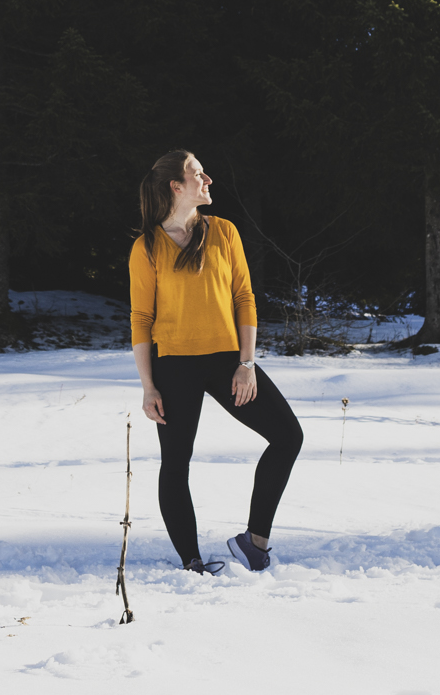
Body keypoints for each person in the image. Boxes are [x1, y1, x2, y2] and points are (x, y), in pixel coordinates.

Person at [129, 149, 303, 574]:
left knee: (287, 436)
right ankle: (191, 561)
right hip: (173, 367)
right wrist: (148, 385)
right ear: (176, 185)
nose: (207, 180)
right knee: (176, 463)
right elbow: (141, 319)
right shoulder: (147, 246)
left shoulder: (223, 232)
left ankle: (254, 541)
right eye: (197, 173)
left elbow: (244, 297)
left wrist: (247, 363)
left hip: (229, 361)